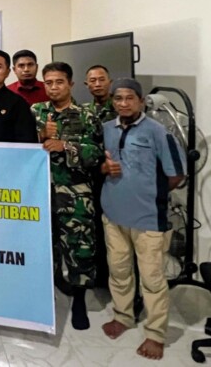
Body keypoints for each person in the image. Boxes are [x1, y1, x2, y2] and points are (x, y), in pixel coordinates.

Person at [100, 78, 185, 360]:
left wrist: (148, 194)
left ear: (140, 100)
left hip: (148, 219)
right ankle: (123, 316)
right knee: (119, 270)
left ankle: (155, 334)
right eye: (118, 99)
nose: (123, 104)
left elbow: (176, 175)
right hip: (113, 215)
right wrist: (104, 168)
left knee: (152, 278)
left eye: (129, 98)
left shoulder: (158, 132)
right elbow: (101, 164)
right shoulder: (106, 129)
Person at [32, 62, 102, 330]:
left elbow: (96, 153)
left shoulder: (87, 115)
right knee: (44, 244)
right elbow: (21, 145)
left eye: (59, 82)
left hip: (76, 193)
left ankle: (79, 301)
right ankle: (47, 292)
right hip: (41, 191)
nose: (53, 87)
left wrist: (66, 145)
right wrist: (41, 135)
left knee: (79, 246)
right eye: (48, 83)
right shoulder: (36, 111)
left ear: (70, 84)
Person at [82, 64, 116, 288]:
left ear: (109, 82)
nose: (97, 84)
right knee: (95, 227)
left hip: (116, 176)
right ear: (86, 85)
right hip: (91, 176)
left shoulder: (121, 106)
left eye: (101, 79)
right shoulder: (84, 110)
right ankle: (101, 275)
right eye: (92, 80)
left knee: (116, 230)